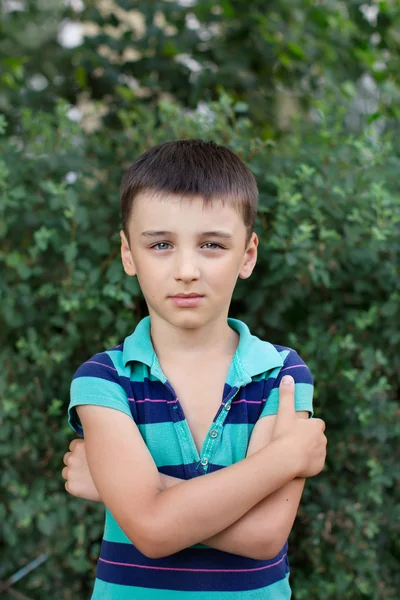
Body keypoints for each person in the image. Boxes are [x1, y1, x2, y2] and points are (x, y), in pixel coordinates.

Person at [62, 139, 327, 599]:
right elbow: (150, 532)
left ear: (247, 255)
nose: (186, 269)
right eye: (161, 244)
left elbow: (265, 535)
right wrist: (285, 459)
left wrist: (133, 493)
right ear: (129, 254)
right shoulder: (104, 379)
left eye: (211, 245)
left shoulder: (280, 375)